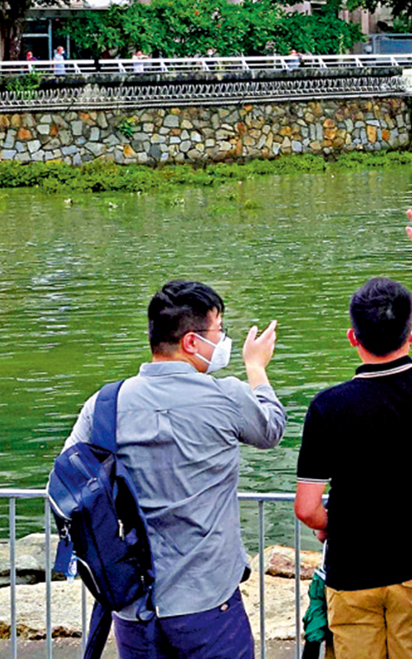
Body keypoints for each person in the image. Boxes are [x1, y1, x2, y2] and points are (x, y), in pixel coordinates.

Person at [61, 280, 285, 659]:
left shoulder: (103, 404)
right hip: (209, 602)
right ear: (192, 342)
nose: (224, 340)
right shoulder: (224, 395)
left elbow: (70, 483)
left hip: (134, 607)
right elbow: (271, 429)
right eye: (219, 331)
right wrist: (255, 367)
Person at [294, 201, 412, 659]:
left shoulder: (327, 407)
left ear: (353, 338)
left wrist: (337, 524)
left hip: (352, 576)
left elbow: (307, 508)